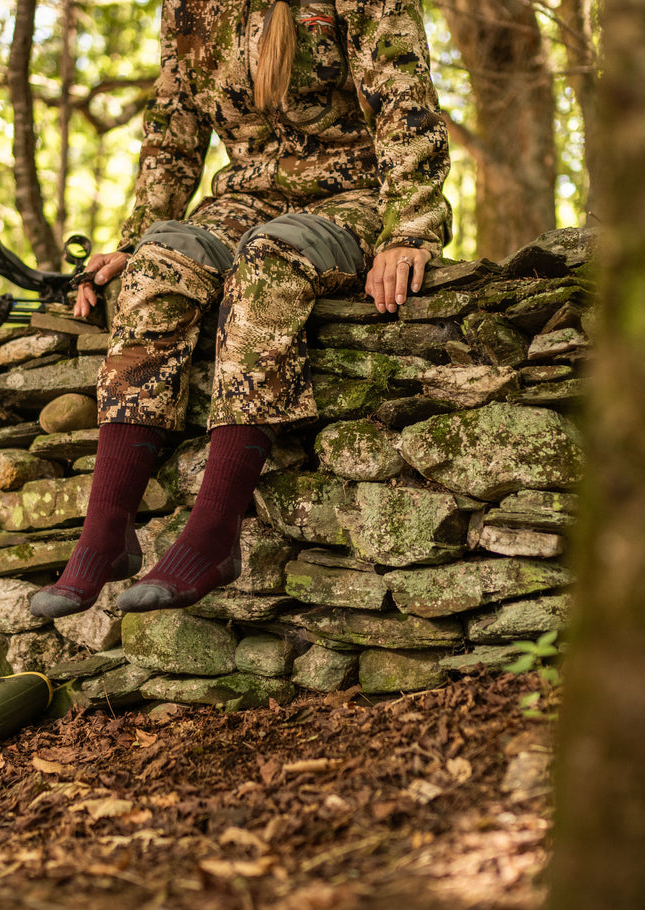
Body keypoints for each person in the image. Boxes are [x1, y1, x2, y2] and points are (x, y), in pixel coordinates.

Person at [29, 0, 451, 620]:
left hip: (357, 198)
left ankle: (214, 535)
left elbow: (403, 101)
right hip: (243, 200)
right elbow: (172, 133)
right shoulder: (188, 7)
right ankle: (106, 536)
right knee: (155, 265)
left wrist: (408, 230)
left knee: (267, 261)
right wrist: (132, 239)